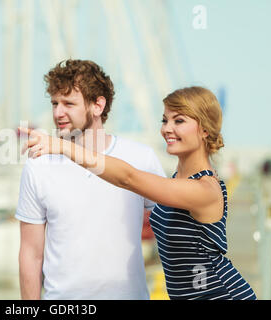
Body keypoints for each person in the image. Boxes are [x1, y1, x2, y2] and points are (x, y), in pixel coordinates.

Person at [20, 86, 257, 300]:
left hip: (221, 294)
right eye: (165, 120)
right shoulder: (175, 181)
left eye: (179, 121)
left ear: (205, 130)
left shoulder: (204, 189)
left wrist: (64, 146)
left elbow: (128, 177)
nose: (167, 129)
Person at [16, 59, 166, 300]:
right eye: (54, 103)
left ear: (98, 105)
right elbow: (31, 254)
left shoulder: (141, 158)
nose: (57, 113)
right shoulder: (38, 165)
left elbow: (172, 232)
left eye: (68, 103)